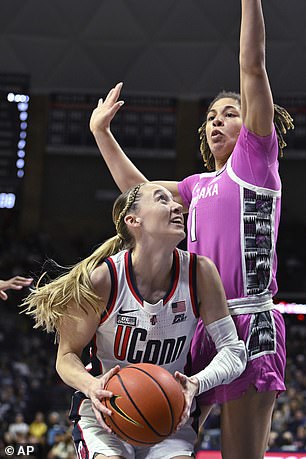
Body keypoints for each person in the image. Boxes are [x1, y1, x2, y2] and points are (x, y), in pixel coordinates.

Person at [88, 2, 294, 458]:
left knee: (239, 455)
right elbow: (138, 194)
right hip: (201, 326)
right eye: (210, 118)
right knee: (160, 438)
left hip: (249, 323)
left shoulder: (255, 161)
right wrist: (102, 133)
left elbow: (252, 64)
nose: (216, 120)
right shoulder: (195, 186)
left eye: (228, 113)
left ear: (252, 124)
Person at [22, 183, 246, 459]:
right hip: (107, 415)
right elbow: (66, 357)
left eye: (175, 202)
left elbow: (234, 351)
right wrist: (92, 385)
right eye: (162, 200)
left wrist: (196, 383)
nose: (178, 206)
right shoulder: (103, 280)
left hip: (168, 417)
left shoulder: (200, 273)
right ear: (133, 220)